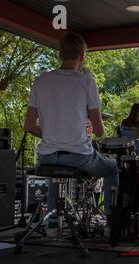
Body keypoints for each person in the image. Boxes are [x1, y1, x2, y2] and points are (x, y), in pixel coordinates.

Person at [24, 33, 118, 238]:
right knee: (112, 169)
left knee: (55, 172)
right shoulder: (86, 82)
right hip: (78, 156)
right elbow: (100, 130)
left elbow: (29, 126)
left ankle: (51, 225)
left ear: (60, 54)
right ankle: (111, 224)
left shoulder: (40, 81)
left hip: (47, 156)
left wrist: (50, 134)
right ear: (82, 56)